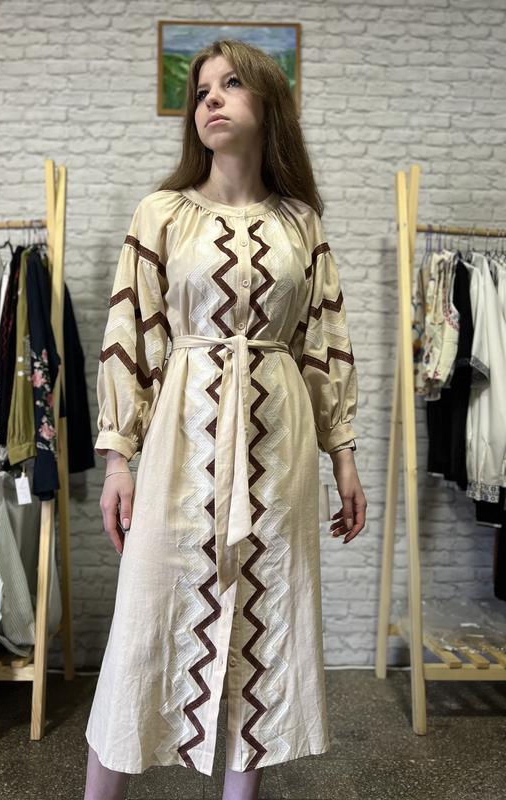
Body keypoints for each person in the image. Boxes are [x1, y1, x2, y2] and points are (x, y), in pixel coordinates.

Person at [83, 38, 367, 800]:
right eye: (202, 88)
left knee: (265, 625)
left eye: (231, 83)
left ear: (268, 103)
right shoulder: (163, 213)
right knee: (145, 623)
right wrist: (119, 460)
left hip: (280, 445)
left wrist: (343, 455)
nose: (210, 97)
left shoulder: (301, 222)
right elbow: (130, 337)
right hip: (181, 437)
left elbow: (325, 342)